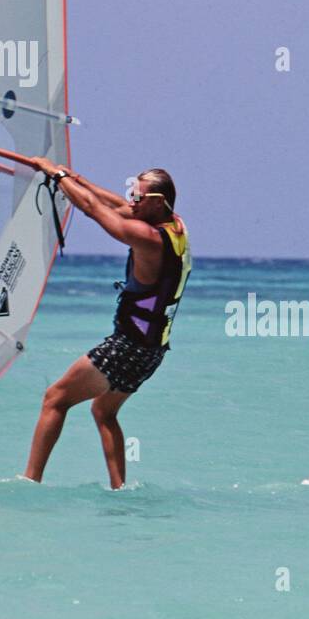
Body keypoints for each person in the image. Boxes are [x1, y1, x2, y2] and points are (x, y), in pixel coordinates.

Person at [22, 165, 191, 489]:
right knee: (104, 411)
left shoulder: (148, 239)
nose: (131, 203)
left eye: (138, 198)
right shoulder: (176, 227)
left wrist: (57, 178)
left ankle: (30, 481)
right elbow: (115, 204)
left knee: (55, 398)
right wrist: (77, 179)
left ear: (158, 202)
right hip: (152, 351)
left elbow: (93, 209)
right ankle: (120, 490)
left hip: (127, 347)